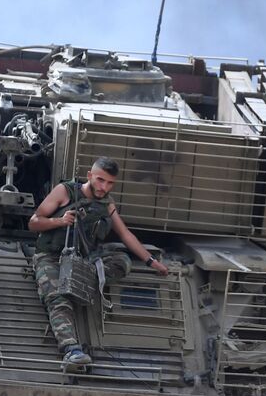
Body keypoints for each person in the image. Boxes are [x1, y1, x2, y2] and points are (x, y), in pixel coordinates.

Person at [28, 156, 169, 372]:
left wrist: (151, 262)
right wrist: (60, 221)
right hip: (50, 256)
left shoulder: (107, 204)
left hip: (83, 258)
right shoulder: (65, 192)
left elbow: (125, 234)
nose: (104, 187)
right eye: (100, 180)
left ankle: (80, 279)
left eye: (110, 183)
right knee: (58, 298)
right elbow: (34, 223)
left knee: (122, 262)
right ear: (90, 176)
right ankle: (72, 350)